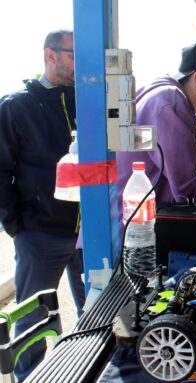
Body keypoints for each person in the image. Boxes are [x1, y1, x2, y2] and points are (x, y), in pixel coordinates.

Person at [0, 29, 85, 381]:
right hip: (40, 233)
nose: (82, 62)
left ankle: (86, 370)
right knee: (32, 322)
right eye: (74, 54)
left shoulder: (89, 100)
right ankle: (28, 377)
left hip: (87, 231)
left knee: (96, 313)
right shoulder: (15, 105)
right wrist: (17, 226)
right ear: (50, 55)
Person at [117, 40, 196, 206]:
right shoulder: (169, 101)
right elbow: (187, 182)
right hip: (133, 225)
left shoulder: (161, 94)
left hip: (126, 219)